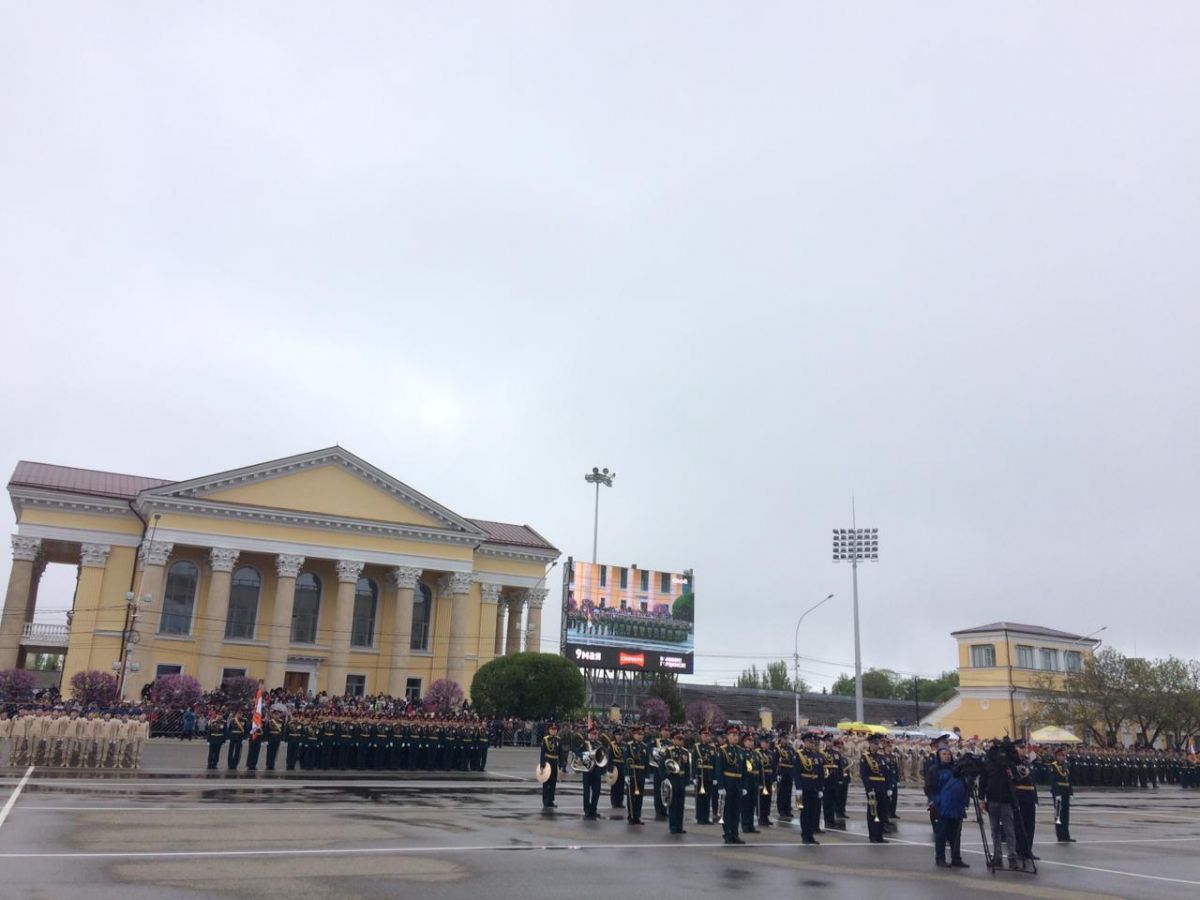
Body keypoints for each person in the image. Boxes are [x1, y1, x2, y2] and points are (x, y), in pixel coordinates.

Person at [981, 738, 1025, 869]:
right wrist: (981, 798)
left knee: (1006, 829)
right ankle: (999, 856)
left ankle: (1010, 856)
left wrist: (1012, 774)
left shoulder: (1007, 762)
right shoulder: (989, 762)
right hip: (994, 798)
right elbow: (983, 781)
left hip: (1005, 798)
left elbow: (1017, 778)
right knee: (998, 830)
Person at [926, 747, 969, 868]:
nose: (947, 756)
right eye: (944, 754)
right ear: (939, 756)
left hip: (956, 806)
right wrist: (935, 801)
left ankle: (956, 858)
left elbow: (964, 785)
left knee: (956, 834)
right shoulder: (934, 770)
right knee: (941, 834)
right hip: (941, 807)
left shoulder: (956, 770)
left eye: (949, 754)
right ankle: (940, 858)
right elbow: (929, 787)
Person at [716, 725, 746, 844]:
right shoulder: (722, 750)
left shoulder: (741, 751)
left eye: (737, 735)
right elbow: (719, 770)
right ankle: (727, 833)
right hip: (728, 783)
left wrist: (744, 786)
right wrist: (721, 786)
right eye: (733, 735)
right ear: (727, 736)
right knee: (727, 811)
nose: (735, 737)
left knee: (736, 811)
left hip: (738, 783)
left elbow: (744, 771)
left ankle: (735, 834)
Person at [860, 734, 890, 843]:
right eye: (875, 744)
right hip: (873, 788)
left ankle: (880, 835)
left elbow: (887, 774)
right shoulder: (866, 757)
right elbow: (864, 775)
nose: (877, 746)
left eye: (878, 744)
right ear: (870, 744)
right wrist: (869, 789)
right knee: (873, 812)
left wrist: (888, 788)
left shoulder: (881, 757)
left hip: (882, 787)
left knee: (882, 812)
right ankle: (873, 835)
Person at [795, 732, 824, 844]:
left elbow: (820, 773)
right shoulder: (799, 754)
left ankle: (811, 835)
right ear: (805, 742)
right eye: (810, 742)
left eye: (813, 742)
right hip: (804, 787)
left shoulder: (816, 756)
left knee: (813, 812)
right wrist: (798, 789)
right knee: (805, 812)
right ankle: (805, 835)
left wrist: (821, 788)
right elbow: (797, 773)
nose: (812, 744)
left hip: (815, 787)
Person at [666, 729, 690, 834]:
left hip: (681, 779)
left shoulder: (685, 751)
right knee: (673, 804)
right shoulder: (669, 750)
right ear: (673, 739)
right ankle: (673, 826)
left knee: (681, 804)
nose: (681, 741)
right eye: (678, 739)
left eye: (682, 739)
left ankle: (679, 826)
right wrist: (665, 777)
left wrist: (687, 780)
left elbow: (687, 768)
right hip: (673, 778)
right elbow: (664, 765)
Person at [624, 724, 648, 824]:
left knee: (639, 797)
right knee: (631, 796)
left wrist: (646, 775)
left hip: (641, 773)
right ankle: (631, 816)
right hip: (632, 773)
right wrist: (626, 774)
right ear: (634, 735)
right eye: (638, 734)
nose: (640, 736)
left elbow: (646, 762)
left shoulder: (645, 746)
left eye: (642, 734)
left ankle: (637, 816)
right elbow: (626, 760)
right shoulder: (629, 745)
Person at [1050, 747, 1075, 842]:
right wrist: (1057, 794)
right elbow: (1053, 781)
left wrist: (1071, 792)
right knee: (1059, 815)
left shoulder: (1065, 765)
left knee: (1066, 815)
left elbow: (1069, 780)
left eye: (1064, 756)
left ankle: (1066, 835)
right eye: (1061, 755)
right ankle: (1060, 836)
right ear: (1057, 756)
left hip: (1065, 792)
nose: (1063, 757)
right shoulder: (1053, 766)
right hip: (1058, 792)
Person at [693, 727, 716, 824]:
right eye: (704, 735)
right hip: (700, 774)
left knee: (707, 798)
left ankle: (706, 817)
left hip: (709, 774)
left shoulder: (712, 747)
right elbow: (694, 762)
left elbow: (715, 763)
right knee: (700, 798)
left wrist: (715, 777)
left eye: (708, 735)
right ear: (701, 736)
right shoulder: (697, 746)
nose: (707, 737)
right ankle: (700, 817)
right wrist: (694, 775)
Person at [580, 723, 603, 819]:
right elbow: (576, 751)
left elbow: (603, 756)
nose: (595, 735)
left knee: (597, 791)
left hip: (597, 770)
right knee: (586, 792)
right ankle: (587, 810)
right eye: (593, 733)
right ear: (589, 734)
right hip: (587, 770)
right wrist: (584, 755)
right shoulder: (585, 743)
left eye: (596, 733)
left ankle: (594, 809)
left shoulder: (599, 744)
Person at [539, 722, 561, 809]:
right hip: (548, 762)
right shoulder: (546, 739)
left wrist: (562, 764)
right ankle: (545, 801)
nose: (554, 731)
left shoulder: (559, 739)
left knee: (553, 783)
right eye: (552, 729)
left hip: (555, 762)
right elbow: (542, 753)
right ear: (549, 730)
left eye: (555, 730)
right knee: (546, 782)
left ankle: (551, 800)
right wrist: (542, 764)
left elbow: (561, 753)